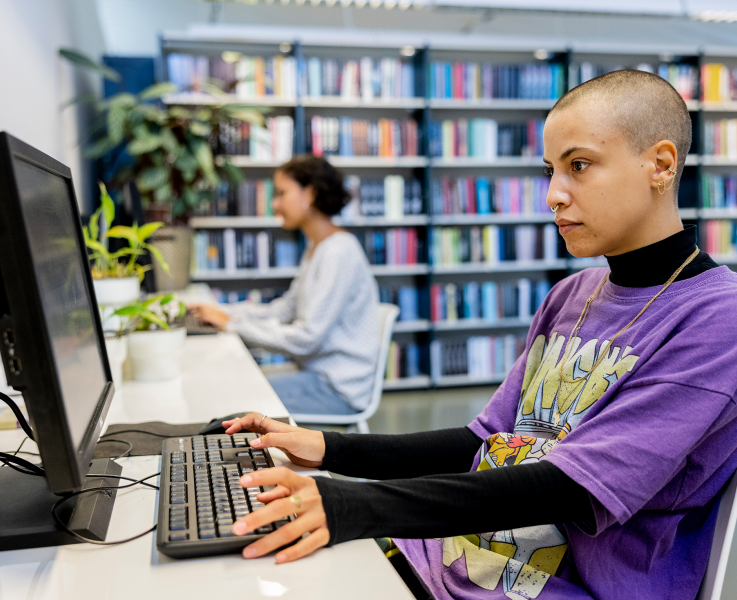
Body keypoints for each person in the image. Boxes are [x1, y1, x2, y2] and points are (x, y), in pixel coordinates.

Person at [216, 70, 737, 600]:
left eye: (579, 166)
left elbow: (572, 488)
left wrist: (356, 505)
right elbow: (481, 442)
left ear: (661, 164)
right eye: (550, 170)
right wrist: (330, 449)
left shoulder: (718, 318)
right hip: (453, 559)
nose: (554, 195)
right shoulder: (572, 294)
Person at [190, 155, 379, 416]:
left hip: (336, 388)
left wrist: (231, 324)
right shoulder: (318, 248)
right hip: (315, 376)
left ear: (309, 194)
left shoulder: (338, 253)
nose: (274, 203)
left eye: (281, 193)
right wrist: (224, 313)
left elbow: (306, 339)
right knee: (230, 387)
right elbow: (284, 310)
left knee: (230, 395)